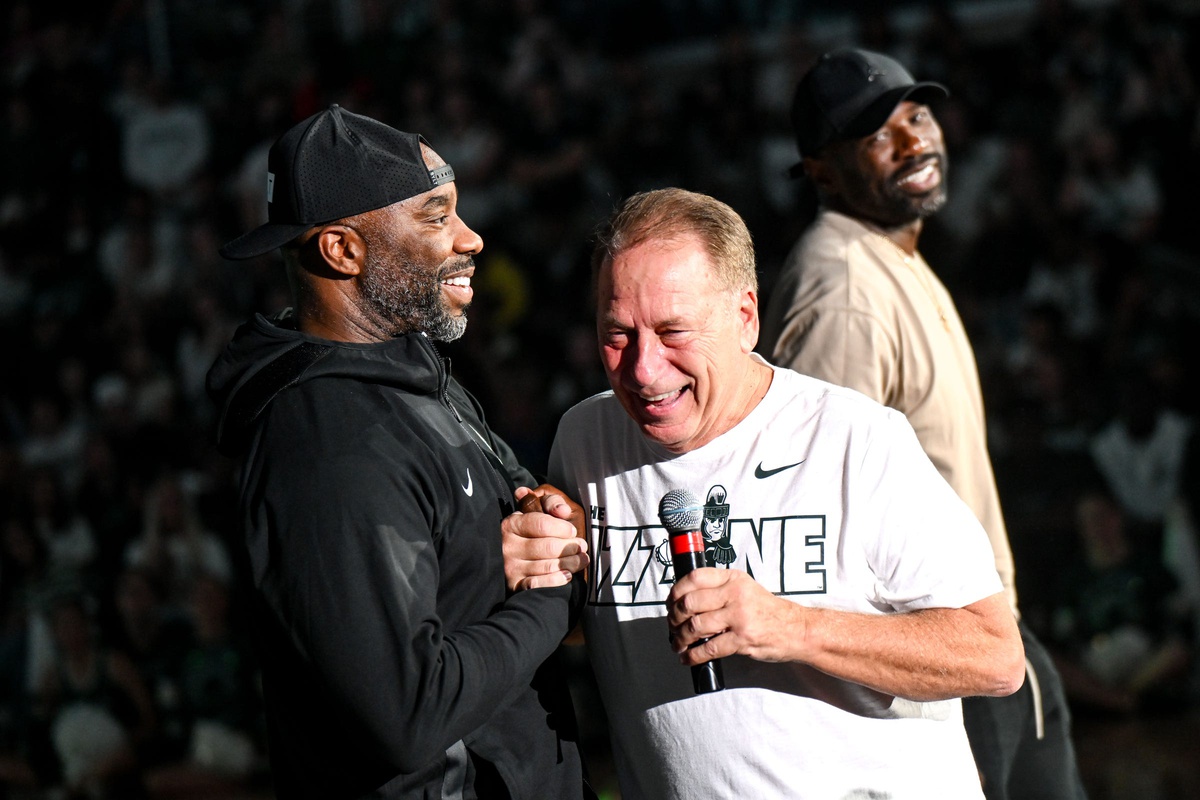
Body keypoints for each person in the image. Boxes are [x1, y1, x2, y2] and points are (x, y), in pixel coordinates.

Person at [510, 187, 1025, 798]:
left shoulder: (855, 440)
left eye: (674, 332)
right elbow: (605, 623)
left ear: (746, 317)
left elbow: (995, 656)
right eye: (617, 335)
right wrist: (547, 565)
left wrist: (792, 627)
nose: (644, 370)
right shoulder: (586, 440)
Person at [205, 104, 592, 800]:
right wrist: (554, 598)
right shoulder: (330, 448)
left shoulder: (413, 374)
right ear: (342, 250)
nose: (471, 238)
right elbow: (410, 714)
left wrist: (547, 512)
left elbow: (497, 530)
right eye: (436, 216)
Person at [760, 48, 1088, 799]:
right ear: (822, 171)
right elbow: (819, 517)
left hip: (987, 637)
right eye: (878, 132)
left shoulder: (886, 253)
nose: (913, 140)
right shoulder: (842, 289)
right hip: (939, 664)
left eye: (917, 114)